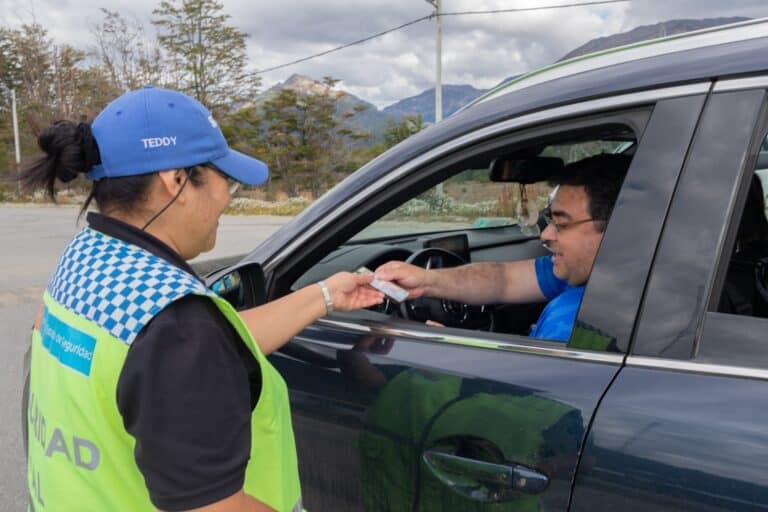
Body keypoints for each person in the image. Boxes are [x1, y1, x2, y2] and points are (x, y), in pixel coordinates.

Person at [22, 85, 383, 512]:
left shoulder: (88, 260)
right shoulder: (175, 322)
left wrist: (323, 295)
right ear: (176, 181)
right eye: (223, 178)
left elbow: (194, 349)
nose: (227, 197)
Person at [375, 153, 630, 342]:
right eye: (550, 219)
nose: (546, 234)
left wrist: (450, 354)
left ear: (617, 227)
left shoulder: (584, 324)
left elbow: (529, 401)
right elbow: (504, 280)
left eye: (562, 224)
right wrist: (427, 281)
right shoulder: (593, 274)